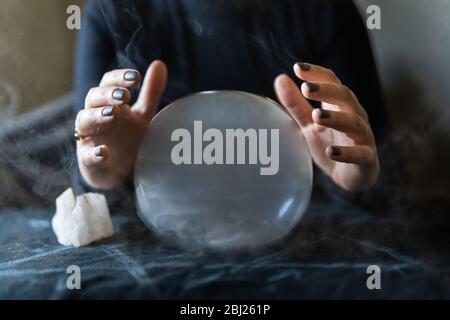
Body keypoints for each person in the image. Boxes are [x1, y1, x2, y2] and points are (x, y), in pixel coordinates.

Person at [73, 0, 389, 207]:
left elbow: (387, 179)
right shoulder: (112, 10)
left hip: (295, 241)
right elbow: (86, 181)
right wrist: (108, 173)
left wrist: (352, 182)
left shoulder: (327, 11)